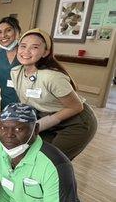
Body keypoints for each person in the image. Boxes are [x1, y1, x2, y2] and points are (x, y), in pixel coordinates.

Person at [10, 28, 97, 160]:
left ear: (45, 52)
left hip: (76, 122)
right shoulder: (16, 72)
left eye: (34, 47)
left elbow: (76, 107)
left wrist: (39, 125)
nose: (26, 51)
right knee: (30, 156)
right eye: (23, 46)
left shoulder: (52, 77)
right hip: (48, 118)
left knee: (49, 162)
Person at [0, 17, 21, 111]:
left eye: (8, 30)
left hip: (28, 107)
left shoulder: (26, 54)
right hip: (6, 106)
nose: (3, 35)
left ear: (17, 32)